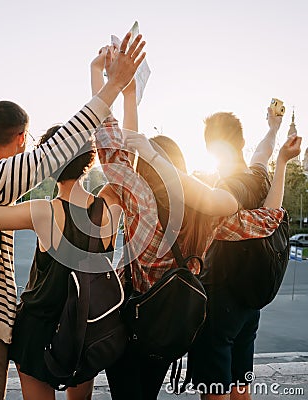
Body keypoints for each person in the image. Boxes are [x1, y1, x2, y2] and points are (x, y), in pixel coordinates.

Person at [0, 32, 146, 400]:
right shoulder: (111, 205)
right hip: (88, 327)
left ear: (50, 168)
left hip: (39, 329)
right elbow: (125, 157)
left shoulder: (42, 210)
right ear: (91, 162)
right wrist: (125, 93)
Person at [90, 46, 298, 399]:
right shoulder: (206, 217)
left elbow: (108, 139)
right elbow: (269, 217)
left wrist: (106, 78)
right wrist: (280, 160)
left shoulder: (140, 206)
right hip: (169, 330)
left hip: (133, 324)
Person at [188, 109, 293, 400]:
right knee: (240, 384)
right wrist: (274, 128)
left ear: (211, 148)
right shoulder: (258, 174)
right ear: (241, 141)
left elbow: (216, 202)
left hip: (221, 299)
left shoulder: (229, 186)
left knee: (215, 389)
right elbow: (263, 151)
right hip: (251, 303)